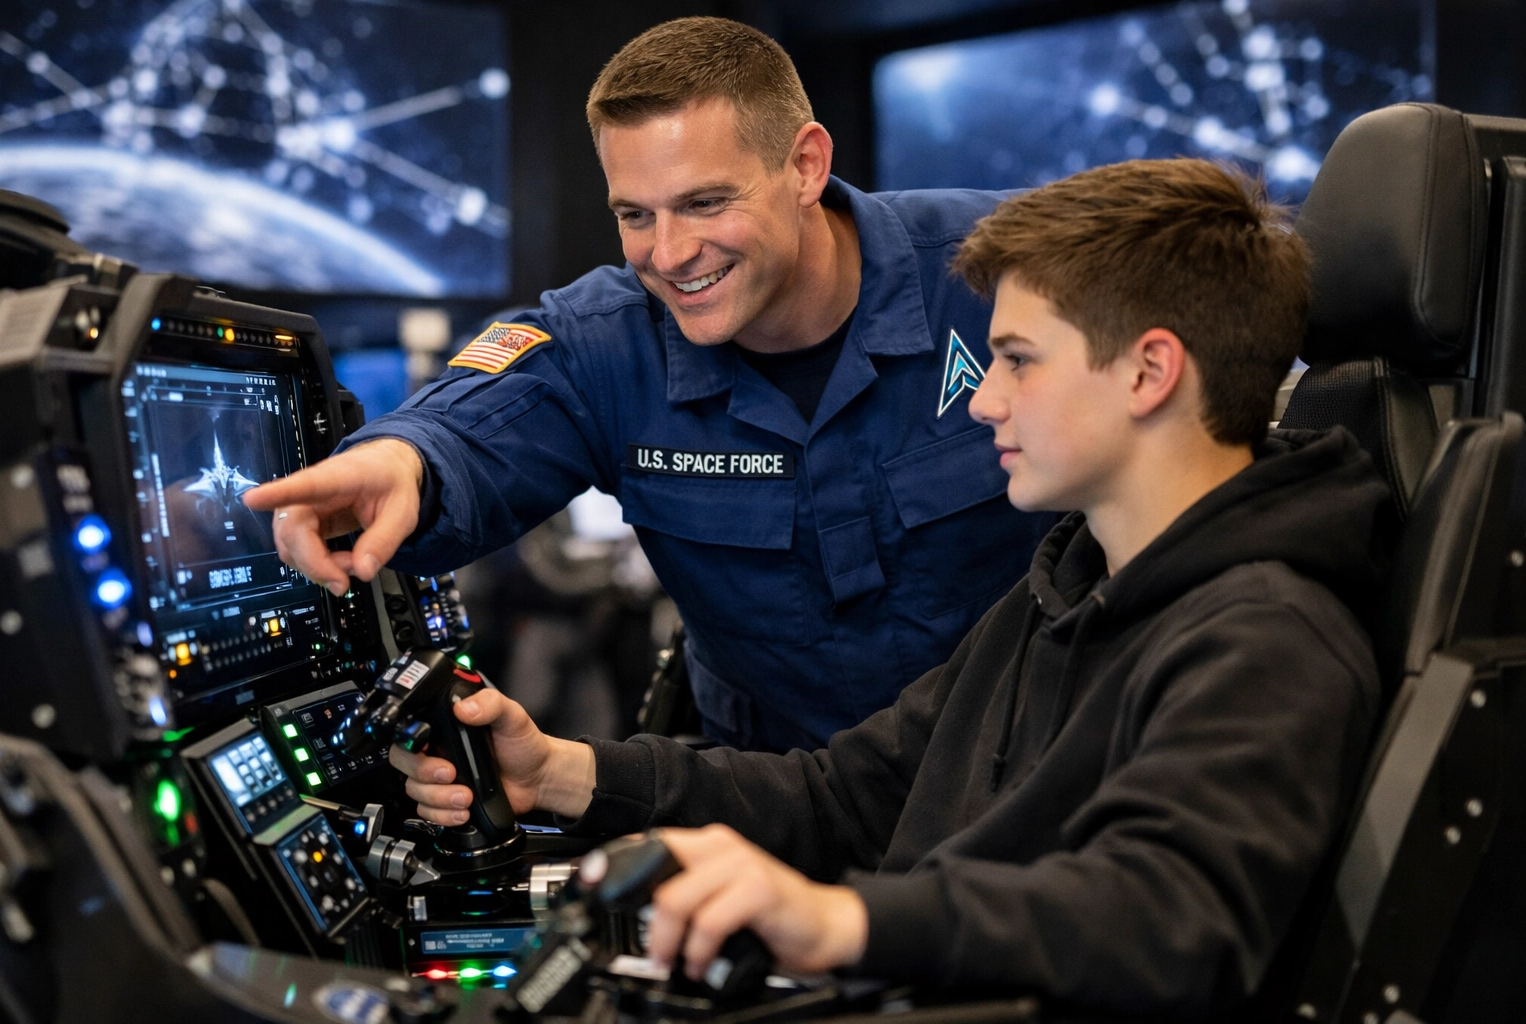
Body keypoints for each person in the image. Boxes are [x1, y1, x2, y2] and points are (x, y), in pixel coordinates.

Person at [386, 158, 1393, 1017]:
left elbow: (1169, 920)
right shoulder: (1070, 586)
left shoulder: (1263, 632)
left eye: (1016, 361)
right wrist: (558, 771)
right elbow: (842, 795)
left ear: (1148, 373)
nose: (983, 397)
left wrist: (837, 920)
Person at [242, 17, 1055, 753]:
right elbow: (472, 427)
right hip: (769, 818)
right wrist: (400, 459)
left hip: (1032, 800)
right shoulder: (610, 340)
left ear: (805, 164)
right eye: (635, 215)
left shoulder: (1010, 273)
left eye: (705, 203)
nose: (668, 255)